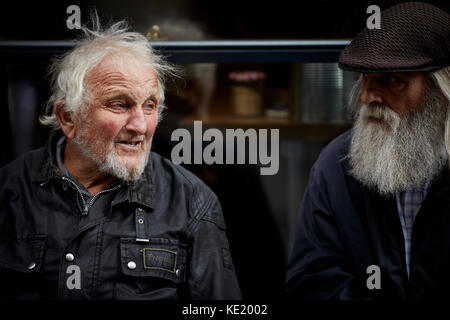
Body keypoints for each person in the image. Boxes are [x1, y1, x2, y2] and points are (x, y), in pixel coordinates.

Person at [0, 21, 241, 300]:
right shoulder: (9, 189)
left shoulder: (191, 201)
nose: (140, 125)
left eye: (149, 106)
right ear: (68, 117)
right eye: (119, 104)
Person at [285, 2, 450, 299]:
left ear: (441, 90)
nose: (367, 96)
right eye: (364, 77)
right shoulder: (336, 165)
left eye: (391, 80)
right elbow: (313, 284)